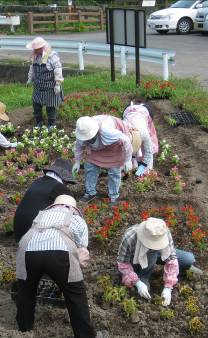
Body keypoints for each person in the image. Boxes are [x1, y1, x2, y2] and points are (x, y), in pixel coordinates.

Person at [16, 195, 95, 338]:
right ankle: (85, 335)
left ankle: (24, 329)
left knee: (26, 291)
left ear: (53, 206)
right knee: (76, 296)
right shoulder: (77, 219)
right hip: (60, 254)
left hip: (27, 251)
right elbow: (82, 252)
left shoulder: (41, 215)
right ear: (73, 208)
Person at [117, 217, 201, 307]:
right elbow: (123, 262)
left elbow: (171, 257)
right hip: (136, 258)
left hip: (158, 254)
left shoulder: (162, 232)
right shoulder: (130, 237)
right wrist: (137, 282)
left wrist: (168, 287)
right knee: (151, 256)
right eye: (152, 245)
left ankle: (155, 261)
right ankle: (144, 276)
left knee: (188, 259)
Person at [72, 115, 135, 205]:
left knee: (114, 172)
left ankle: (114, 196)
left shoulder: (106, 130)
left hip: (113, 148)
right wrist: (77, 162)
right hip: (95, 150)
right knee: (90, 168)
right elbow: (78, 146)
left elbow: (126, 140)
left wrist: (128, 160)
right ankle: (90, 192)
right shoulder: (82, 130)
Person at [14, 158, 76, 242]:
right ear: (64, 178)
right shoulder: (61, 188)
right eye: (67, 182)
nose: (67, 184)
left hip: (18, 230)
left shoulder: (37, 181)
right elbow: (73, 214)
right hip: (35, 235)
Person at [26, 37, 64, 129]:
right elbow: (32, 68)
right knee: (36, 105)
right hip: (38, 86)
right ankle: (39, 122)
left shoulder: (51, 56)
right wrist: (29, 79)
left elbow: (58, 70)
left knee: (51, 107)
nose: (34, 50)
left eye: (36, 49)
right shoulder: (35, 56)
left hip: (50, 87)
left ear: (41, 48)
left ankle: (51, 124)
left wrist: (58, 84)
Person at [122, 101, 159, 176]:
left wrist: (145, 166)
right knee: (129, 152)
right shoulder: (122, 134)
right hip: (129, 112)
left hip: (144, 112)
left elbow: (149, 150)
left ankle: (144, 168)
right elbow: (123, 153)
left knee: (146, 146)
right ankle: (135, 163)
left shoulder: (144, 133)